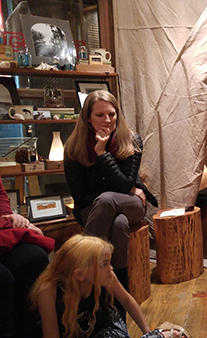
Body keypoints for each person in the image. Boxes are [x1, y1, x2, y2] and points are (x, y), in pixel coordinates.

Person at [63, 90, 158, 295]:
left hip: (130, 203)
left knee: (107, 200)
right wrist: (118, 189)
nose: (107, 120)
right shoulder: (74, 147)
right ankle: (117, 294)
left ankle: (84, 277)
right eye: (100, 115)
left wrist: (102, 153)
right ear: (88, 118)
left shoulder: (131, 140)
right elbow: (80, 197)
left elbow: (124, 186)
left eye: (112, 114)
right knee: (118, 224)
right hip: (92, 207)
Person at [0, 98, 55, 337]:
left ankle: (32, 330)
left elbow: (1, 193)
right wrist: (7, 222)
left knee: (34, 258)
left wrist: (8, 213)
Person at [30, 234, 187, 338]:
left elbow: (127, 301)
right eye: (105, 264)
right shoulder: (49, 290)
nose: (111, 269)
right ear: (79, 274)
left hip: (103, 328)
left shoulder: (106, 277)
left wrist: (147, 331)